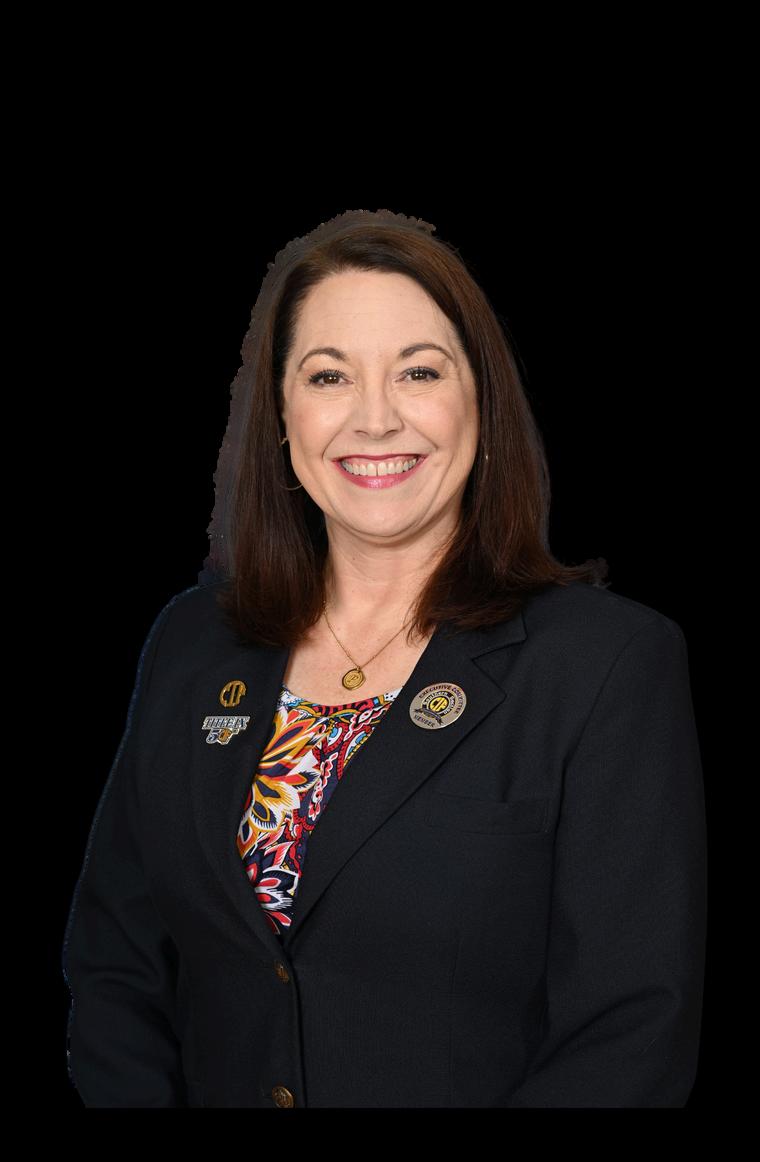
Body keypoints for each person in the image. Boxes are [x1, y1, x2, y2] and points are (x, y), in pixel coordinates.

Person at [61, 208, 707, 1108]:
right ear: (281, 414)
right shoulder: (193, 642)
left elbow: (628, 1031)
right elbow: (117, 963)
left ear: (480, 402)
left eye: (418, 371)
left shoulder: (606, 664)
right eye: (329, 376)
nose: (374, 419)